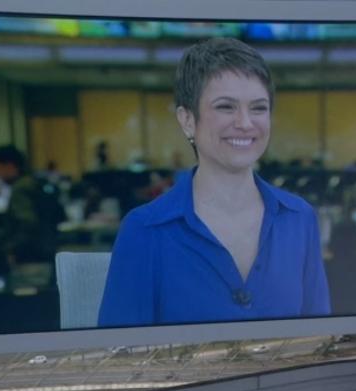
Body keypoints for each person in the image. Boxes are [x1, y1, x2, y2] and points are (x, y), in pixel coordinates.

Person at [99, 38, 330, 326]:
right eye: (225, 107)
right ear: (186, 120)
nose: (245, 123)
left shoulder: (300, 218)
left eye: (259, 108)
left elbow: (321, 342)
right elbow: (121, 358)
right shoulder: (145, 230)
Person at [0, 145, 65, 267]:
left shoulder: (21, 188)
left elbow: (28, 223)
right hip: (48, 249)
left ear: (9, 166)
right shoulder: (34, 181)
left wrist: (9, 248)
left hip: (31, 256)